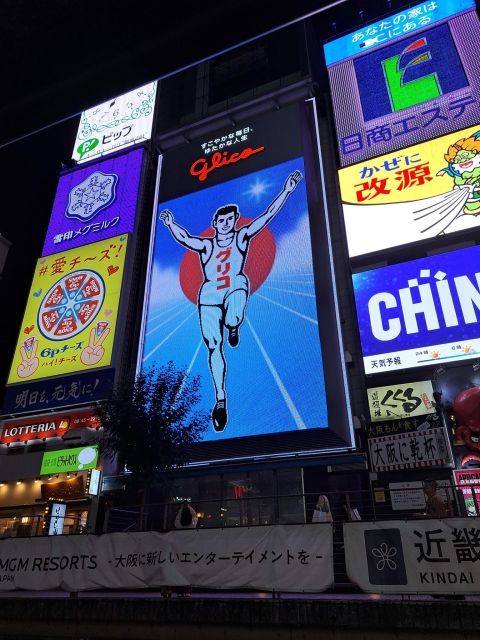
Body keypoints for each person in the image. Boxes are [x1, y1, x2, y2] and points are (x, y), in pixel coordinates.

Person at [160, 170, 303, 433]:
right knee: (214, 346)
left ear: (235, 221)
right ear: (215, 223)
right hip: (210, 295)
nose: (226, 223)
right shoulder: (206, 246)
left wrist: (287, 190)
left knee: (237, 298)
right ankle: (221, 400)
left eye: (230, 219)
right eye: (221, 220)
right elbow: (185, 238)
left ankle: (234, 324)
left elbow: (267, 216)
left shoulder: (242, 236)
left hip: (235, 285)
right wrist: (170, 224)